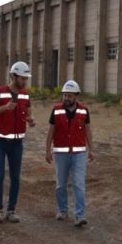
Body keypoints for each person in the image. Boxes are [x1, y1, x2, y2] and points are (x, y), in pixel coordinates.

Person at [0, 61, 36, 223]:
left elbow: (29, 113)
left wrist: (30, 120)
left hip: (17, 143)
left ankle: (11, 210)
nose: (24, 82)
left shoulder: (25, 94)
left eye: (26, 79)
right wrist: (5, 108)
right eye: (22, 78)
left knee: (15, 177)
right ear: (14, 76)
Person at [45, 79, 95, 227]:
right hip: (61, 154)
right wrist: (47, 150)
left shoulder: (84, 111)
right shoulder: (56, 110)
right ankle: (62, 210)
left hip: (79, 153)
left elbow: (88, 130)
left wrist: (91, 149)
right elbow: (51, 131)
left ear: (76, 96)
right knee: (61, 185)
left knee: (79, 184)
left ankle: (80, 215)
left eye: (70, 96)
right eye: (65, 95)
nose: (67, 98)